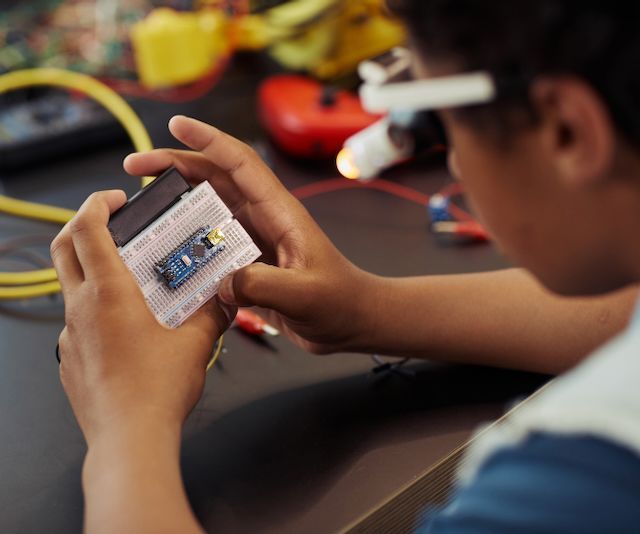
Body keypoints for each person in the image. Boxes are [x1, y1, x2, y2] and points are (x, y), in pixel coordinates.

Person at [50, 1, 640, 531]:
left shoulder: (574, 486)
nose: (455, 161)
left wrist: (125, 430)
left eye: (440, 120)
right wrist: (364, 311)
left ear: (566, 130)